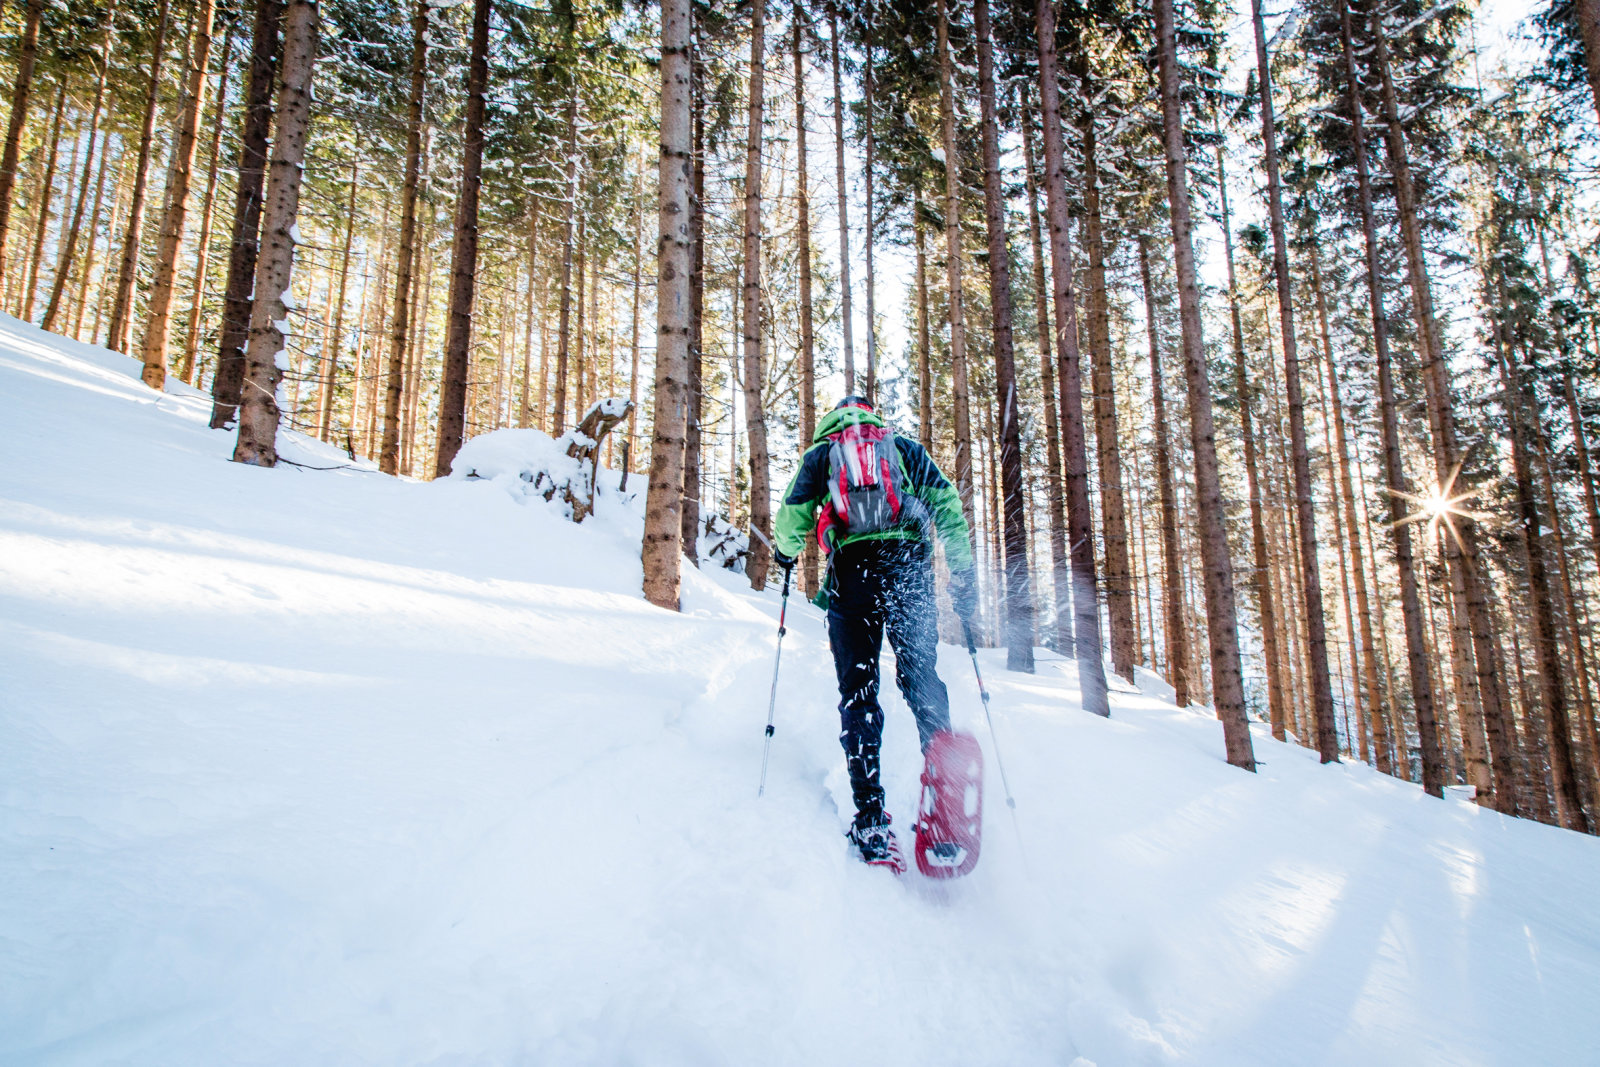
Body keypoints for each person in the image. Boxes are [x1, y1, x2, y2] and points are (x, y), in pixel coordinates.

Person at [772, 395, 977, 868]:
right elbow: (946, 503)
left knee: (859, 692)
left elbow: (791, 518)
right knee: (921, 676)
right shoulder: (901, 448)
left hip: (851, 574)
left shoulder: (822, 455)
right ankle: (945, 807)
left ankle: (870, 821)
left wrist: (785, 555)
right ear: (871, 419)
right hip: (907, 566)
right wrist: (962, 572)